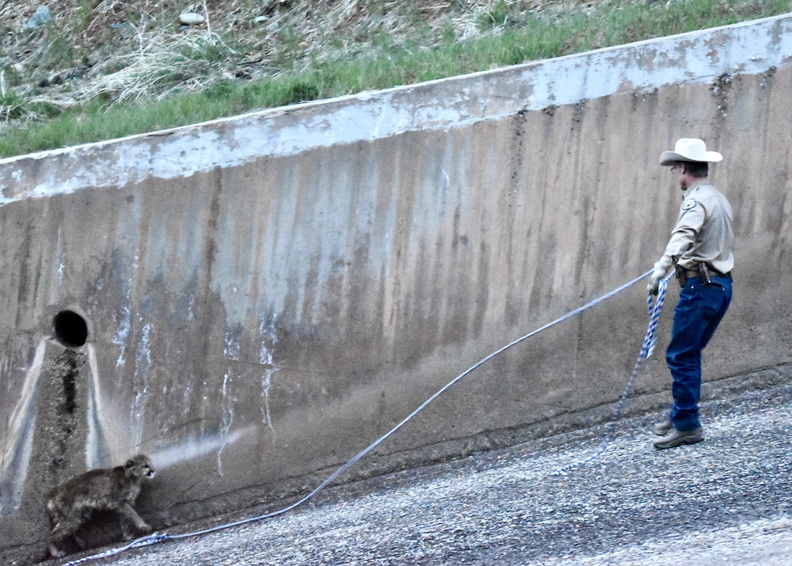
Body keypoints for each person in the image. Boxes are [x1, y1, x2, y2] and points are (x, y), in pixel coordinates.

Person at [647, 138, 734, 450]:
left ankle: (687, 424)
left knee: (681, 355)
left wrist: (662, 267)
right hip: (721, 287)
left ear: (683, 168)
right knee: (689, 353)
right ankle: (681, 413)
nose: (676, 175)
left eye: (676, 169)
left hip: (700, 288)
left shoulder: (695, 201)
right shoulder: (717, 198)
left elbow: (685, 234)